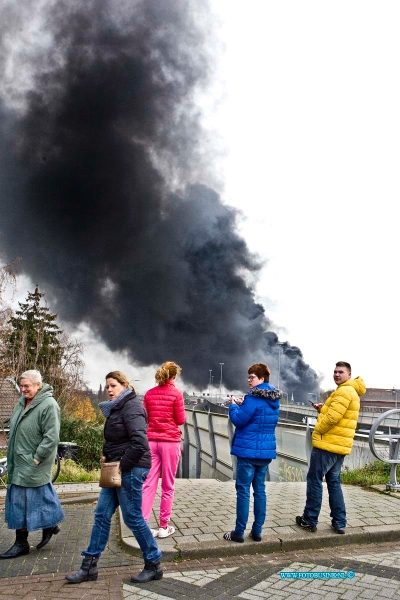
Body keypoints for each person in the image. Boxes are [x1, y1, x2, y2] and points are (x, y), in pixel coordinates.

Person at [65, 371, 162, 584]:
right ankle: (89, 567)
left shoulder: (132, 407)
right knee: (101, 514)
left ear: (124, 385)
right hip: (117, 467)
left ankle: (154, 563)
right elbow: (116, 438)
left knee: (133, 518)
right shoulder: (117, 408)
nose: (109, 389)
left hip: (131, 468)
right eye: (107, 386)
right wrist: (106, 454)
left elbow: (140, 443)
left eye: (113, 385)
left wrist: (121, 466)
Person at [0, 369, 64, 559]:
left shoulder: (49, 405)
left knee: (25, 499)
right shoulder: (22, 402)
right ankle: (49, 525)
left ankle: (21, 543)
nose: (23, 389)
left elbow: (51, 436)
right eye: (21, 386)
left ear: (38, 385)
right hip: (18, 460)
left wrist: (37, 456)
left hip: (33, 461)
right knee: (35, 496)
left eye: (27, 386)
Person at [296, 361, 366, 534]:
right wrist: (323, 409)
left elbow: (333, 418)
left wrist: (318, 430)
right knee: (334, 482)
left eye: (340, 372)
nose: (336, 374)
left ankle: (309, 519)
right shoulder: (350, 391)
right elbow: (338, 415)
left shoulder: (344, 391)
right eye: (335, 372)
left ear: (349, 375)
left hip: (328, 444)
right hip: (339, 445)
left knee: (314, 479)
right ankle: (339, 522)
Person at [223, 363, 281, 543]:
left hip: (247, 453)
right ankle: (257, 531)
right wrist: (244, 404)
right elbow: (259, 416)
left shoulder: (253, 398)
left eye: (252, 377)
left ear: (262, 378)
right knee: (260, 491)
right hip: (264, 453)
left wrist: (233, 406)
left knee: (243, 491)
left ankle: (238, 532)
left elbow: (239, 420)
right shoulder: (274, 400)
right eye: (248, 377)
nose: (249, 380)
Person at [141, 361, 185, 538]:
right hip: (170, 442)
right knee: (168, 485)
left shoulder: (149, 394)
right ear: (174, 376)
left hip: (151, 441)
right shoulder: (177, 393)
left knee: (149, 483)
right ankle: (163, 527)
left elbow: (145, 417)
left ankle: (143, 526)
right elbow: (180, 419)